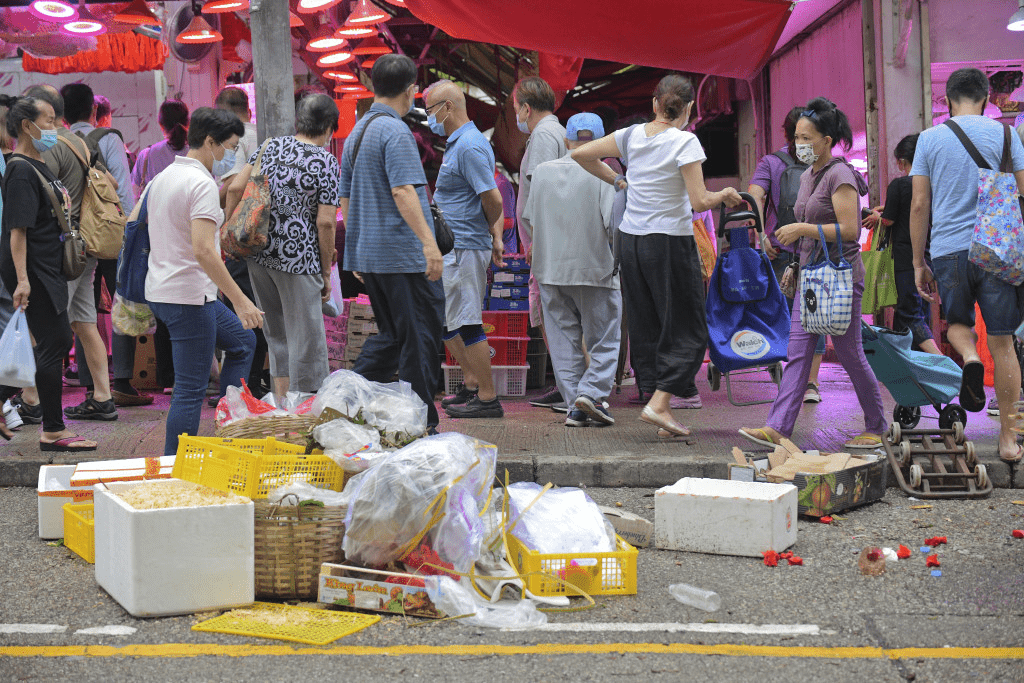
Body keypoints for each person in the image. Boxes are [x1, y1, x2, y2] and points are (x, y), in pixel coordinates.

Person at [574, 74, 742, 439]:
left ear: (655, 104)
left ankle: (654, 396)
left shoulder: (631, 135)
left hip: (631, 242)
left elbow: (580, 153)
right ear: (689, 109)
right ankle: (661, 403)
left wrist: (618, 181)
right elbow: (699, 202)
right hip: (668, 242)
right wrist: (724, 194)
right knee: (690, 328)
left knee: (647, 322)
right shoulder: (685, 141)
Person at [740, 97, 885, 451]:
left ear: (827, 138)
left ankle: (877, 425)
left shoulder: (840, 174)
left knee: (851, 353)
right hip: (811, 278)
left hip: (839, 278)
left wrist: (803, 229)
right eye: (797, 138)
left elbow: (851, 230)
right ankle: (778, 427)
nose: (800, 145)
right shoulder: (807, 175)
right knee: (798, 350)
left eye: (807, 138)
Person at [910, 68, 1024, 464]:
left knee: (958, 326)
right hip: (997, 248)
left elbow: (920, 203)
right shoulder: (1009, 135)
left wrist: (917, 260)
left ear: (946, 98)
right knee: (1004, 341)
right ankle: (1009, 441)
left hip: (949, 250)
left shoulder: (929, 138)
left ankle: (969, 359)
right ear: (987, 96)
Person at [338, 54, 445, 432]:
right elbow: (403, 191)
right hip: (401, 256)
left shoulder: (358, 132)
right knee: (420, 339)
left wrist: (356, 251)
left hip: (372, 256)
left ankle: (344, 401)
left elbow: (346, 199)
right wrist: (429, 245)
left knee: (394, 337)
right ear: (411, 89)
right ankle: (422, 421)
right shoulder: (395, 132)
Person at [144, 107, 259, 455]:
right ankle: (173, 467)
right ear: (210, 142)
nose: (230, 156)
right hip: (188, 296)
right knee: (190, 390)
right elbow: (203, 251)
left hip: (166, 289)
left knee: (242, 341)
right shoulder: (201, 184)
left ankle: (229, 426)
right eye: (229, 147)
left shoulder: (164, 176)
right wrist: (240, 299)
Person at [225, 93, 340, 397]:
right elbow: (326, 222)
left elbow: (235, 187)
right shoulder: (325, 161)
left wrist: (231, 227)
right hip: (299, 259)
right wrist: (326, 272)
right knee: (308, 341)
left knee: (277, 335)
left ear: (298, 122)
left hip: (260, 255)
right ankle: (304, 414)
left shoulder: (268, 146)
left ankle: (282, 408)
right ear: (329, 127)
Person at [0, 94, 96, 450]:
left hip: (47, 265)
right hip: (34, 268)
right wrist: (23, 279)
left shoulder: (38, 164)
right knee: (56, 340)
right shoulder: (21, 169)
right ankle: (53, 430)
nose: (55, 127)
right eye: (50, 120)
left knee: (56, 340)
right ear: (27, 125)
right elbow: (18, 230)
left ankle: (44, 421)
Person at [23, 84, 119, 422]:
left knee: (45, 325)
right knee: (84, 321)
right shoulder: (82, 142)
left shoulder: (49, 148)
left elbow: (38, 197)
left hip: (62, 251)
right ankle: (103, 397)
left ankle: (33, 401)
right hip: (86, 247)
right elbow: (112, 182)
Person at [524, 112, 619, 427]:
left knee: (563, 342)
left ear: (567, 140)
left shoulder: (541, 173)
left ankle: (574, 407)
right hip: (596, 271)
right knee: (603, 338)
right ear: (602, 142)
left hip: (550, 271)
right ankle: (590, 395)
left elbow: (530, 220)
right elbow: (613, 225)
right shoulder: (605, 173)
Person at [60, 83, 148, 407]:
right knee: (120, 302)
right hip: (109, 235)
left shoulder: (61, 143)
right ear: (94, 111)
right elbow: (123, 192)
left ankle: (90, 384)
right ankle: (122, 380)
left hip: (73, 240)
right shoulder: (108, 138)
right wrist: (129, 235)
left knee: (82, 312)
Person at [424, 80, 506, 419]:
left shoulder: (469, 146)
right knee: (447, 320)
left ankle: (487, 398)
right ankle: (472, 382)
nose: (429, 117)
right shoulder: (459, 144)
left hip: (464, 247)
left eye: (430, 110)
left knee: (468, 321)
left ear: (448, 107)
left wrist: (486, 231)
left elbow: (493, 199)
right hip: (456, 246)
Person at [748, 106, 827, 404]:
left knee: (782, 312)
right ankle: (811, 384)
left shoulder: (771, 162)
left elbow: (755, 195)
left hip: (779, 247)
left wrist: (761, 234)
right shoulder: (823, 161)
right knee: (816, 315)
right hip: (817, 249)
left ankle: (785, 372)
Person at [513, 76, 569, 411]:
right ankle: (566, 384)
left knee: (553, 314)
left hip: (547, 244)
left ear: (526, 107)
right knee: (554, 314)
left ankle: (569, 387)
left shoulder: (545, 135)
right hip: (550, 241)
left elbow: (544, 188)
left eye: (515, 108)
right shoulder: (552, 132)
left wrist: (538, 239)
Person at [862, 134, 941, 355]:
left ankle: (946, 367)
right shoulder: (932, 185)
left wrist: (879, 217)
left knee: (909, 314)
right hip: (929, 258)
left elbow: (890, 220)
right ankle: (911, 369)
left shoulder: (900, 185)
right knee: (914, 315)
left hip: (907, 260)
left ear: (902, 161)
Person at [216, 86, 267, 397]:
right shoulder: (263, 134)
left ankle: (241, 386)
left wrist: (225, 228)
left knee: (240, 309)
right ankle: (253, 380)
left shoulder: (235, 136)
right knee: (256, 306)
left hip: (242, 236)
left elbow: (232, 187)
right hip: (263, 234)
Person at [132, 99, 189, 195]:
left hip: (154, 210)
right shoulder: (200, 154)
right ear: (187, 123)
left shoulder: (146, 156)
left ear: (161, 124)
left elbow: (133, 193)